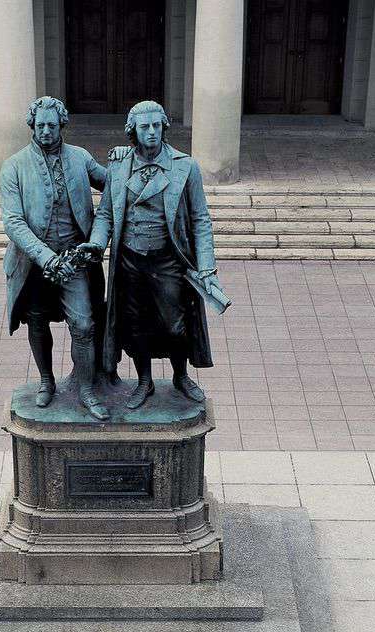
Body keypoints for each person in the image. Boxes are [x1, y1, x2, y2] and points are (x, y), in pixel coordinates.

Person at [83, 100, 221, 413]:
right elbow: (106, 213)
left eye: (156, 126)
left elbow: (200, 219)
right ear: (133, 131)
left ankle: (180, 375)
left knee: (175, 324)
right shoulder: (119, 166)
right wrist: (96, 243)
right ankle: (144, 381)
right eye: (144, 127)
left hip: (167, 259)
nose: (151, 132)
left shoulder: (185, 166)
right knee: (136, 324)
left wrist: (207, 267)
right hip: (130, 260)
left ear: (164, 128)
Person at [0, 96, 111, 420]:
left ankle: (86, 389)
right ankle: (46, 381)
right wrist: (45, 257)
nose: (45, 131)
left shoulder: (80, 158)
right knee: (36, 320)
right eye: (40, 125)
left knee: (84, 324)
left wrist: (125, 159)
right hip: (34, 262)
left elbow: (114, 185)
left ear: (62, 125)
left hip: (75, 260)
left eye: (51, 125)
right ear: (32, 126)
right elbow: (13, 222)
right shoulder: (14, 166)